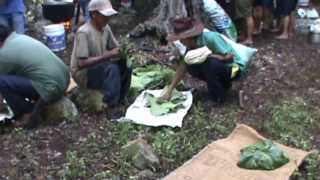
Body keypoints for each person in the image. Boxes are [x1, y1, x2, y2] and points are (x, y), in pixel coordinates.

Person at [160, 18, 248, 103]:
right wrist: (170, 90)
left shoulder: (211, 38)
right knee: (191, 65)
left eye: (181, 39)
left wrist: (212, 56)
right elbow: (183, 66)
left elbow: (230, 56)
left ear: (188, 37)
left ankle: (219, 96)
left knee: (210, 64)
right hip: (217, 68)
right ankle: (220, 86)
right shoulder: (191, 48)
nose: (181, 42)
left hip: (234, 69)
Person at [0, 24, 70, 127]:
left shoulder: (4, 54)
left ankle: (26, 112)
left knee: (2, 82)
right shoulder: (19, 37)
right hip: (65, 80)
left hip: (50, 88)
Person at [71, 0, 131, 107]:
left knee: (126, 65)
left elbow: (115, 47)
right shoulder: (84, 32)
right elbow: (82, 63)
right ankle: (110, 103)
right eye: (104, 15)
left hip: (98, 65)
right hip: (83, 73)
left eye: (109, 15)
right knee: (112, 69)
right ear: (94, 14)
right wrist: (108, 55)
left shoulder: (105, 27)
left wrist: (125, 51)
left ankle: (121, 98)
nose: (108, 18)